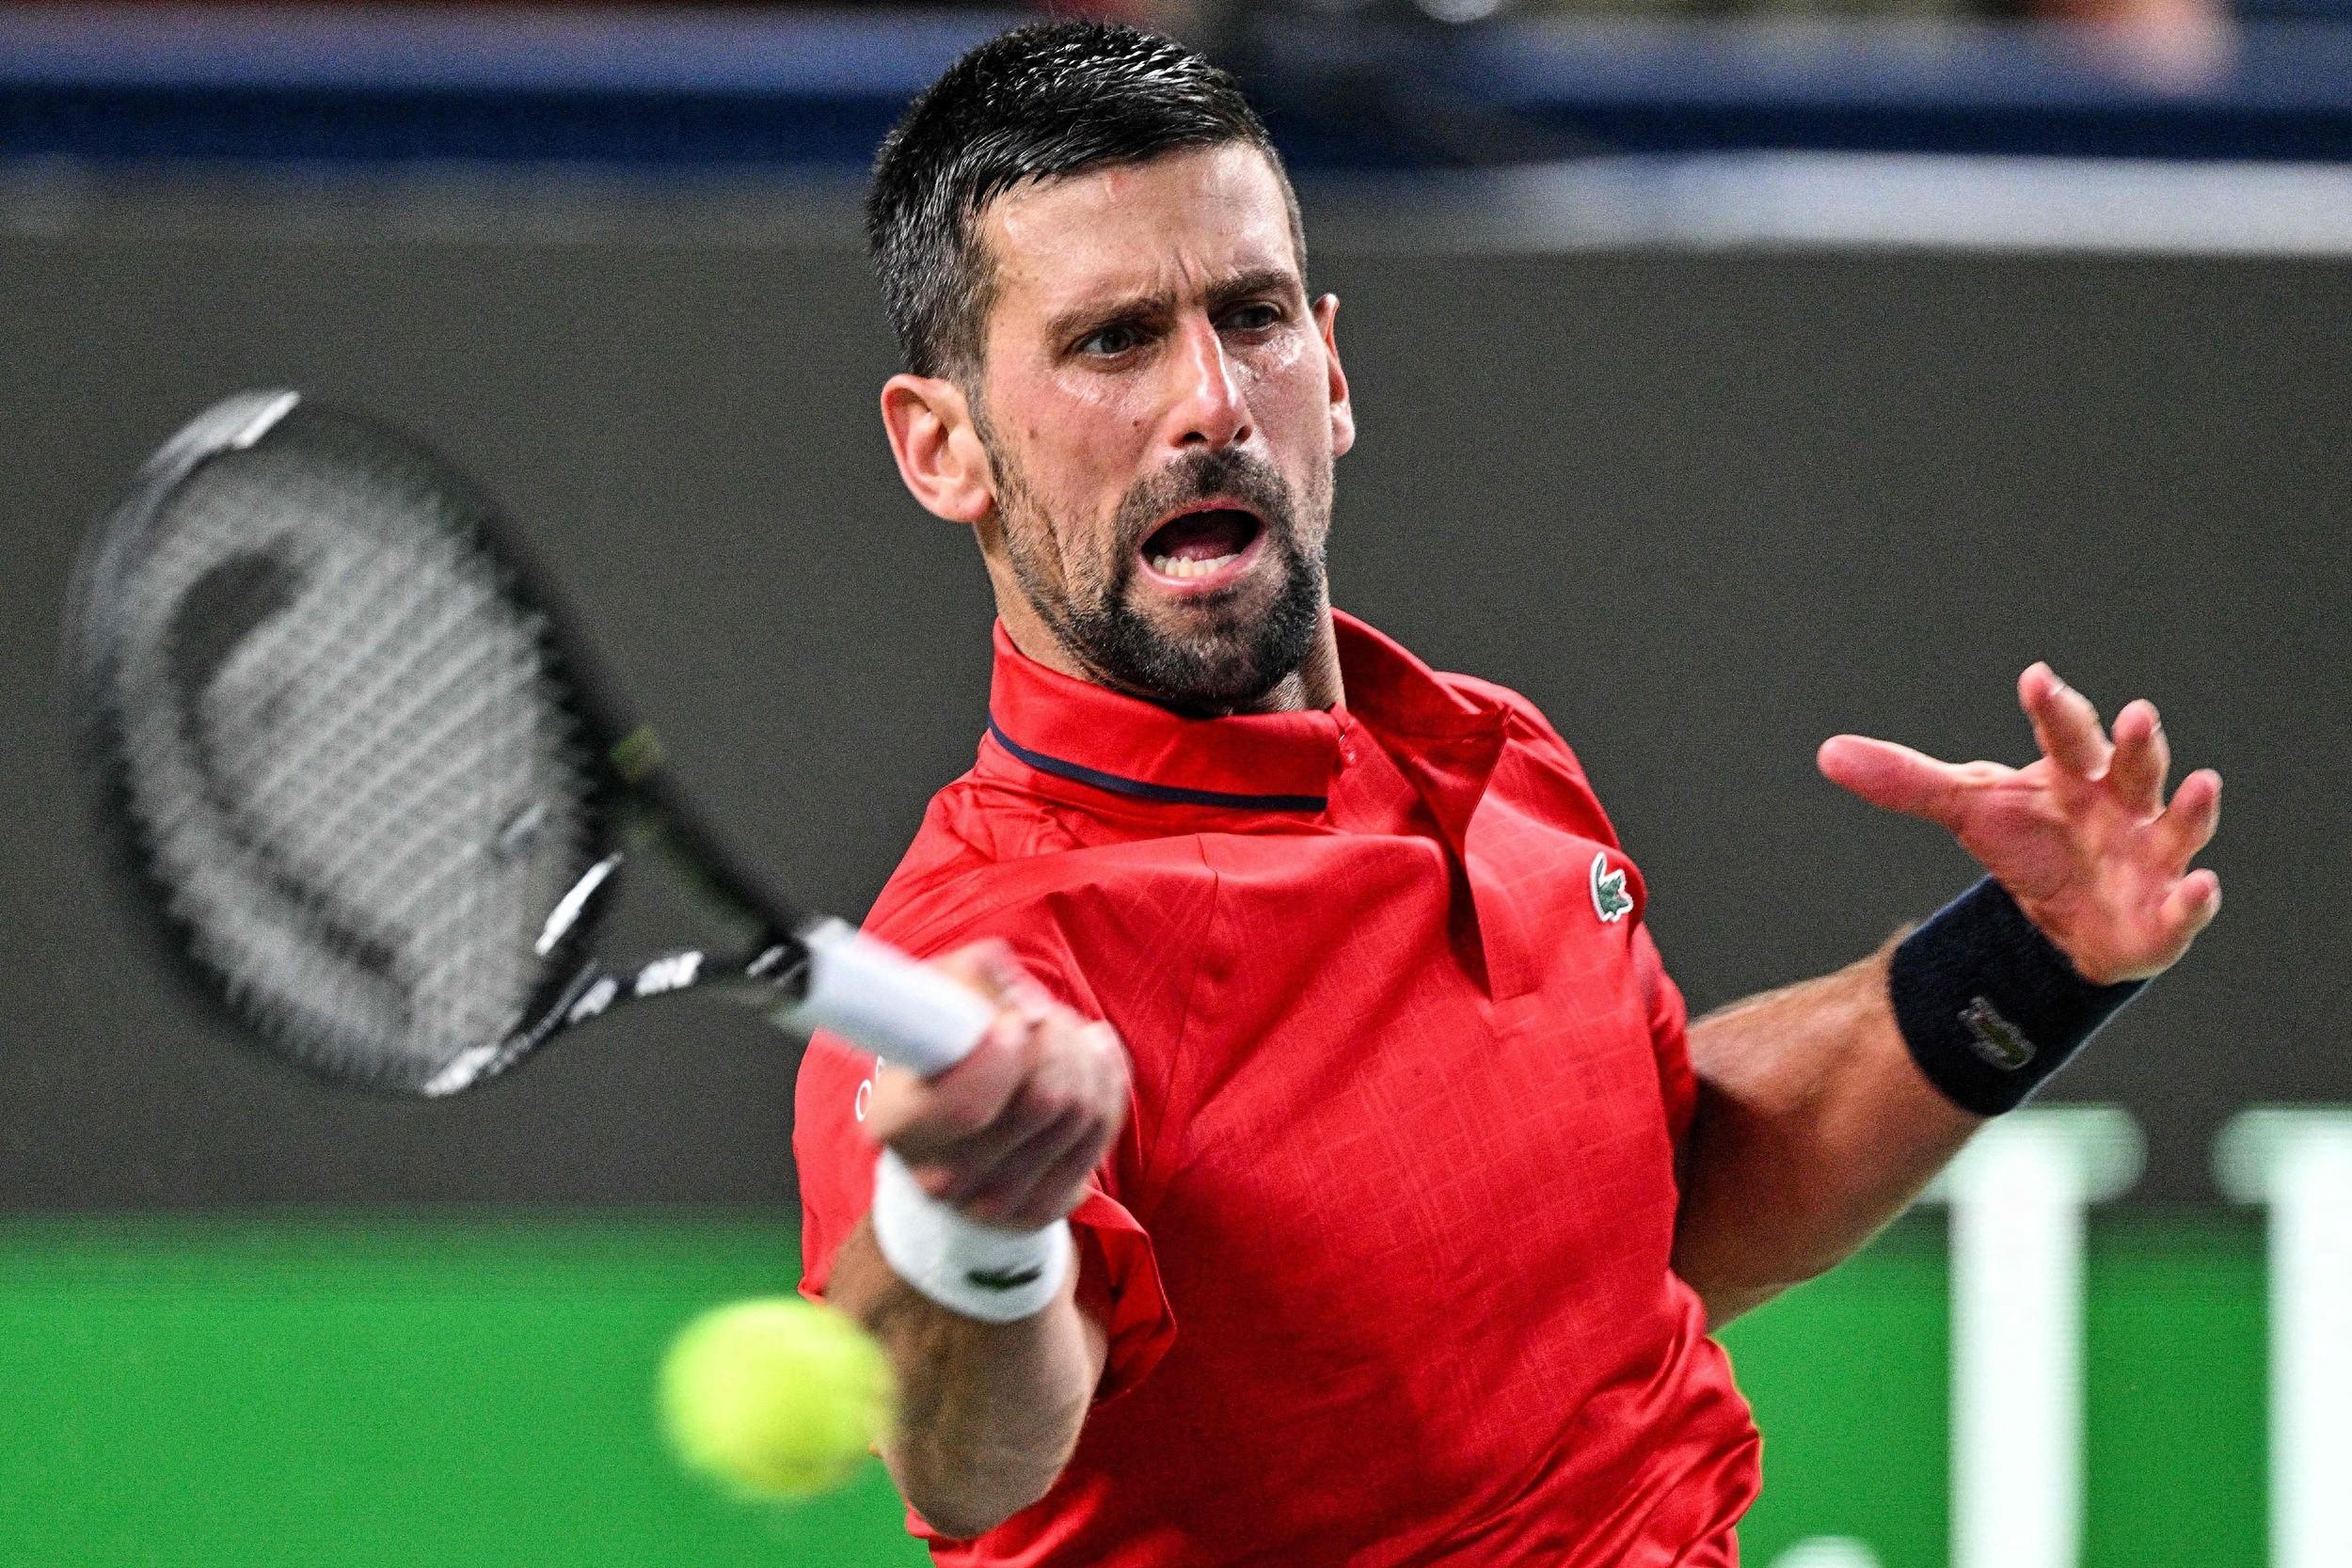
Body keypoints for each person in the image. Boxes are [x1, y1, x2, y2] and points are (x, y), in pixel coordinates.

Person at [793, 21, 2223, 1565]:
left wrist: (2029, 956)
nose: (1211, 399)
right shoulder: (983, 971)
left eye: (1253, 317)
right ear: (942, 447)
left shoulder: (1487, 752)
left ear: (1333, 370)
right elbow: (973, 1466)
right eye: (1112, 342)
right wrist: (970, 1226)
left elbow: (1650, 1216)